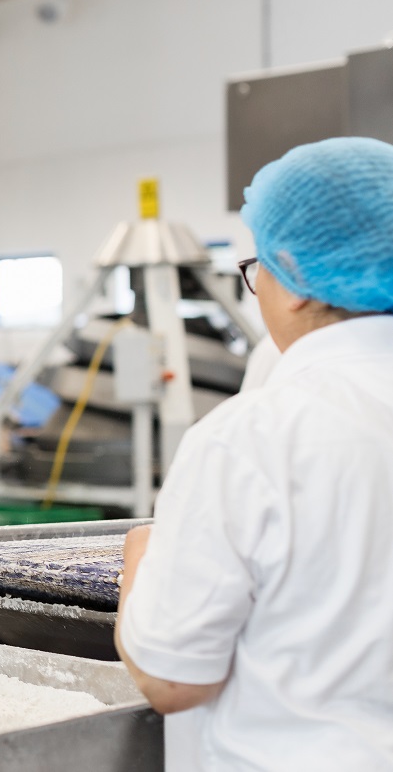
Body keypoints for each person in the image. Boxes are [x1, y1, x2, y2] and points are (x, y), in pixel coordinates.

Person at [115, 136, 393, 770]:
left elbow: (172, 680)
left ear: (295, 283)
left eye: (257, 267)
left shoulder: (252, 436)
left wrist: (140, 560)